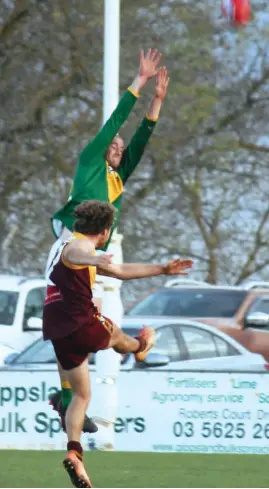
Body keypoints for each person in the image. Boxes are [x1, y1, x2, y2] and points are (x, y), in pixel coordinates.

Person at [46, 48, 170, 434]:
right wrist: (140, 83)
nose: (117, 148)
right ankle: (69, 400)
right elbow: (116, 120)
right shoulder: (89, 164)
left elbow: (141, 140)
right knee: (78, 315)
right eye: (112, 145)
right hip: (71, 244)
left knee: (81, 321)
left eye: (118, 148)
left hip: (91, 258)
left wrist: (158, 103)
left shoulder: (118, 178)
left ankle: (66, 400)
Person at [43, 200, 193, 488]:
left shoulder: (69, 247)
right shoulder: (79, 247)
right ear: (106, 230)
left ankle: (74, 451)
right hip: (79, 322)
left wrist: (162, 268)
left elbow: (122, 271)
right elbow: (80, 253)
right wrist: (93, 259)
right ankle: (140, 345)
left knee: (81, 396)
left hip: (57, 329)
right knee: (117, 337)